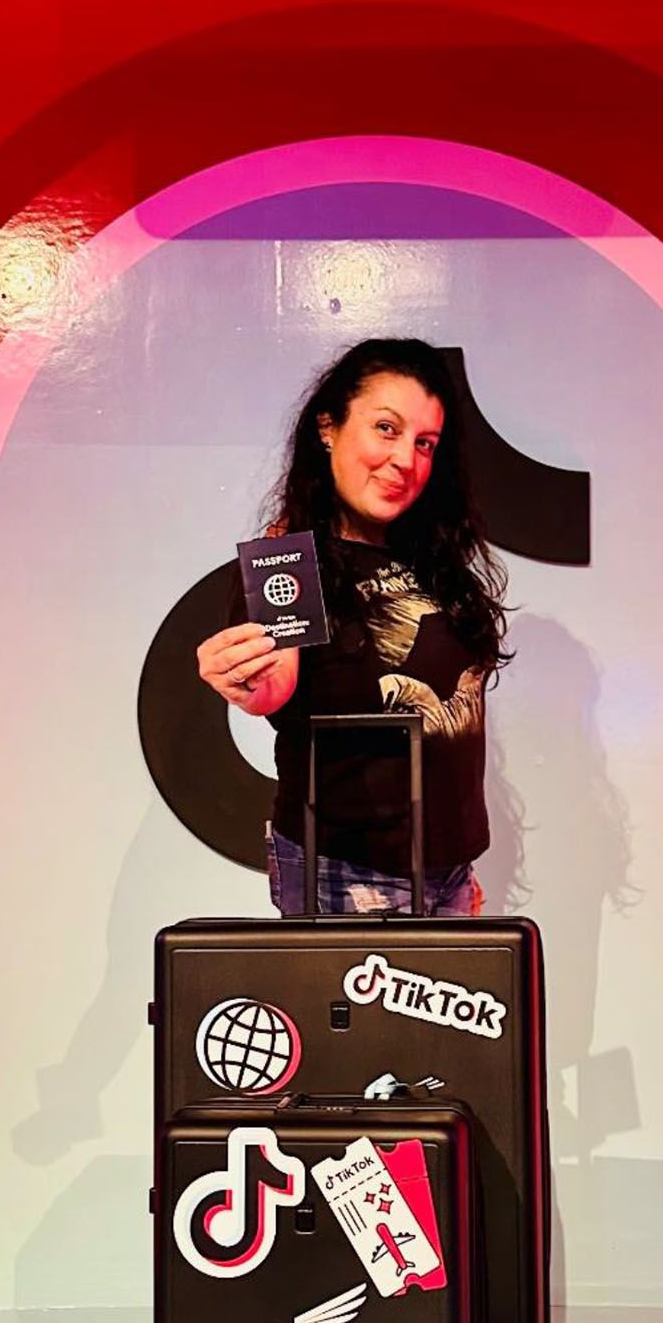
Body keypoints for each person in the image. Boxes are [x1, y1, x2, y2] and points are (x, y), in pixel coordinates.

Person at [196, 338, 509, 916]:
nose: (405, 460)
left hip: (445, 875)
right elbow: (273, 684)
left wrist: (451, 876)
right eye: (385, 429)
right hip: (348, 873)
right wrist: (248, 680)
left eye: (425, 444)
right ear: (328, 428)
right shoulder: (289, 557)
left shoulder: (431, 557)